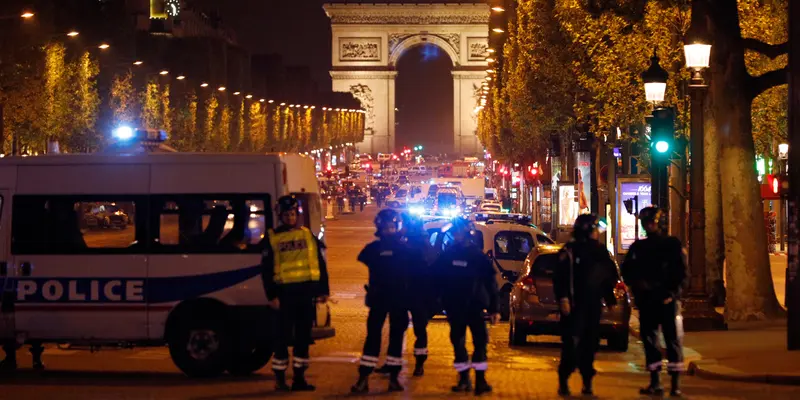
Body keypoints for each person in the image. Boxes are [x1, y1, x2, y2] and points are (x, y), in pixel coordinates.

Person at [261, 195, 330, 392]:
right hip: (283, 296)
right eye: (287, 214)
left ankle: (299, 379)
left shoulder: (307, 235)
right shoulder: (272, 237)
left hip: (305, 295)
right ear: (280, 216)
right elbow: (266, 270)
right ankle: (280, 380)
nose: (290, 217)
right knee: (281, 340)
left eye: (293, 213)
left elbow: (319, 264)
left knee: (302, 340)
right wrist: (271, 296)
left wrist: (323, 291)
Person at [622, 206, 688, 397]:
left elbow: (682, 273)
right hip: (650, 301)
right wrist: (638, 287)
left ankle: (675, 384)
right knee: (652, 343)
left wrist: (672, 293)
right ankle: (656, 381)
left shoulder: (670, 245)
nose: (649, 226)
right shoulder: (641, 247)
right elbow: (628, 271)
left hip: (665, 300)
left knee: (671, 341)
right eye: (646, 223)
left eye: (651, 222)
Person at [554, 214, 619, 396]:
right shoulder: (570, 251)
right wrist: (563, 298)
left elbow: (607, 277)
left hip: (592, 306)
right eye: (595, 230)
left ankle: (587, 382)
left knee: (590, 345)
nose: (597, 233)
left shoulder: (599, 251)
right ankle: (564, 380)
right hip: (574, 306)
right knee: (571, 344)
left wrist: (610, 298)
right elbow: (560, 277)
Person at [434, 217, 498, 395]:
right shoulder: (448, 255)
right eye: (455, 232)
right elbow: (436, 279)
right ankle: (464, 379)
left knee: (480, 343)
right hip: (455, 307)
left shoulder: (477, 257)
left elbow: (490, 283)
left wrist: (494, 309)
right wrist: (437, 301)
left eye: (459, 232)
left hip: (475, 307)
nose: (456, 235)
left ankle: (480, 381)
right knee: (457, 342)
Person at [351, 209, 411, 393]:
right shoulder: (396, 250)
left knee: (395, 338)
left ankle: (393, 377)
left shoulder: (377, 250)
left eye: (392, 227)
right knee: (373, 338)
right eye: (386, 227)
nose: (389, 231)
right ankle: (364, 377)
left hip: (396, 299)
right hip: (381, 299)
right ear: (379, 227)